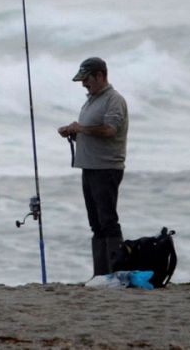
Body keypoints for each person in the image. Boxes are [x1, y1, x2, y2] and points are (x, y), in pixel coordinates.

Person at [57, 56, 128, 277]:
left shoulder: (113, 100)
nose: (84, 84)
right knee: (96, 223)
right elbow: (92, 132)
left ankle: (116, 273)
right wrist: (74, 132)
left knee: (108, 221)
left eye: (87, 79)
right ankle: (101, 275)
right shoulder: (91, 100)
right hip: (89, 167)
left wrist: (82, 129)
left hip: (106, 168)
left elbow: (109, 131)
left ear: (100, 76)